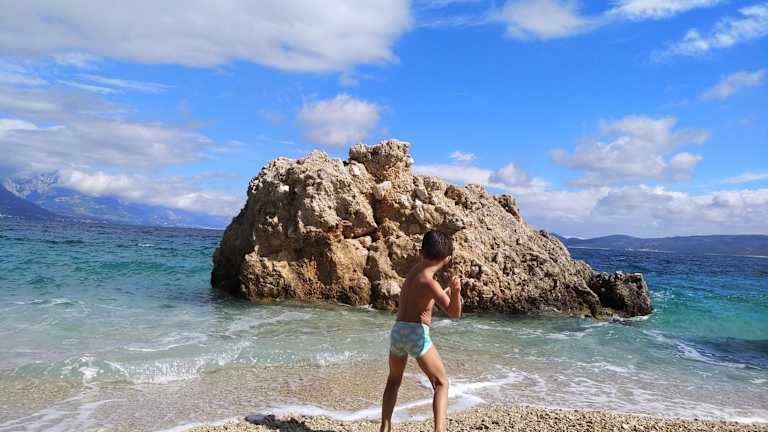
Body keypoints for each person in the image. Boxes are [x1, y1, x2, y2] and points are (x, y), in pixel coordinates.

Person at [379, 230, 462, 432]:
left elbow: (423, 301)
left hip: (398, 331)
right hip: (417, 334)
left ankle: (385, 426)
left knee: (394, 380)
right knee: (441, 383)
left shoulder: (414, 272)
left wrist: (441, 294)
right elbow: (454, 313)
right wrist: (456, 292)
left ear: (420, 252)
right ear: (447, 259)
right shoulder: (431, 283)